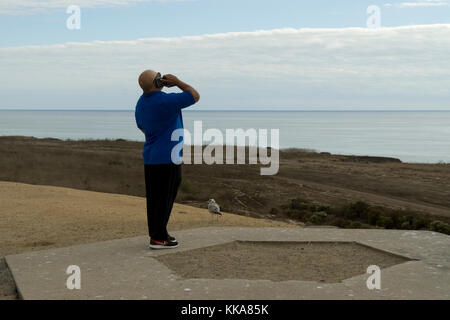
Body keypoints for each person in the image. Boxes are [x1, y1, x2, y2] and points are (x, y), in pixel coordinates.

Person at [135, 70, 200, 249]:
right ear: (158, 82)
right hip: (167, 158)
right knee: (164, 198)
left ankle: (158, 234)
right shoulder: (166, 101)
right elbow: (194, 95)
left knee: (156, 198)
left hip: (152, 157)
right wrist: (178, 81)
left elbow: (142, 127)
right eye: (160, 76)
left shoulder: (141, 103)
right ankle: (158, 238)